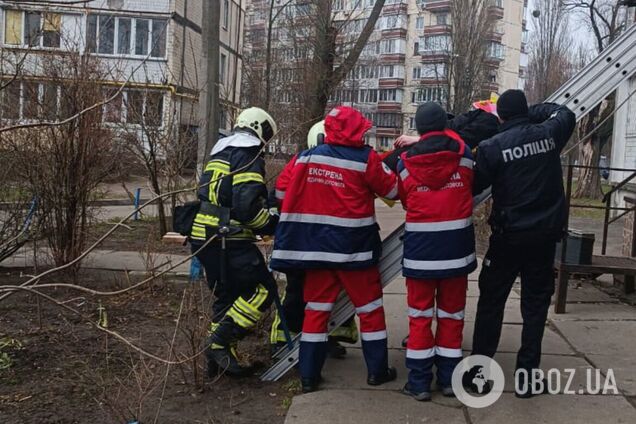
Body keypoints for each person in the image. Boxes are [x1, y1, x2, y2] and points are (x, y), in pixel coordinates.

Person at [270, 106, 399, 393]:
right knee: (370, 310)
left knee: (315, 311)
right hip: (355, 252)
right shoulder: (365, 159)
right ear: (354, 131)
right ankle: (377, 371)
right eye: (362, 129)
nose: (365, 133)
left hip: (315, 252)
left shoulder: (304, 158)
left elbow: (280, 192)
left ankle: (309, 376)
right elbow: (392, 191)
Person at [470, 89, 576, 398]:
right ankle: (528, 378)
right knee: (535, 306)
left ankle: (479, 375)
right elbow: (565, 113)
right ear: (524, 112)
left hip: (508, 238)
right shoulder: (549, 134)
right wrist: (535, 112)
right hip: (544, 238)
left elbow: (475, 185)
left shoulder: (492, 147)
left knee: (491, 302)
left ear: (500, 116)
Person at [190, 107, 280, 377]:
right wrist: (271, 224)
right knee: (263, 290)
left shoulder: (221, 150)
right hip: (227, 238)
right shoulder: (248, 153)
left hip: (205, 235)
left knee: (227, 294)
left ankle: (216, 365)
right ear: (259, 129)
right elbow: (246, 207)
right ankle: (220, 343)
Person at [395, 102, 476, 401]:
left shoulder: (404, 163)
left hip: (420, 254)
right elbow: (470, 184)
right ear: (445, 126)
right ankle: (449, 381)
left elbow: (404, 199)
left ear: (418, 128)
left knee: (419, 318)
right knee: (452, 317)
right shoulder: (464, 156)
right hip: (456, 252)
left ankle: (418, 383)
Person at [270, 121, 359, 358]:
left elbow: (279, 193)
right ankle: (311, 338)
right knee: (322, 293)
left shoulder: (300, 161)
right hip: (331, 244)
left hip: (299, 244)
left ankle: (291, 339)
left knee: (299, 292)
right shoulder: (347, 162)